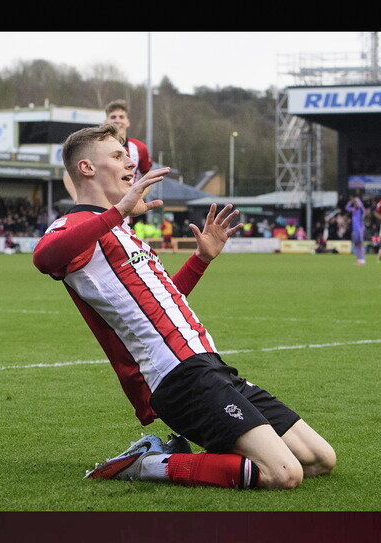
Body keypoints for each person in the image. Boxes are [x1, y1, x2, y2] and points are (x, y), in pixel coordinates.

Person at [33, 125, 335, 490]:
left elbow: (164, 300)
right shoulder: (74, 225)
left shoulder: (123, 231)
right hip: (178, 376)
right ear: (86, 168)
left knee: (320, 459)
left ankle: (180, 455)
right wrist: (117, 212)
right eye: (116, 155)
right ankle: (148, 463)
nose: (130, 161)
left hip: (209, 363)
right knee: (283, 474)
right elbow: (45, 257)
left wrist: (201, 259)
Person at [62, 99, 152, 204]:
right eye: (113, 117)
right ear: (106, 121)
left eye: (121, 117)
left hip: (126, 211)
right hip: (98, 205)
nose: (117, 120)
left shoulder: (139, 148)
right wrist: (77, 198)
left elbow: (147, 177)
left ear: (127, 122)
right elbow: (68, 173)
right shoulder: (93, 145)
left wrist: (137, 197)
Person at [344, 195, 367, 265]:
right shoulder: (353, 210)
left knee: (360, 244)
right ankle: (359, 260)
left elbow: (363, 209)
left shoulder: (361, 210)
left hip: (359, 229)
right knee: (356, 244)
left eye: (356, 203)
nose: (355, 204)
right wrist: (351, 201)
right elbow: (346, 207)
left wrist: (357, 200)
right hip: (354, 229)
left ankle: (362, 260)